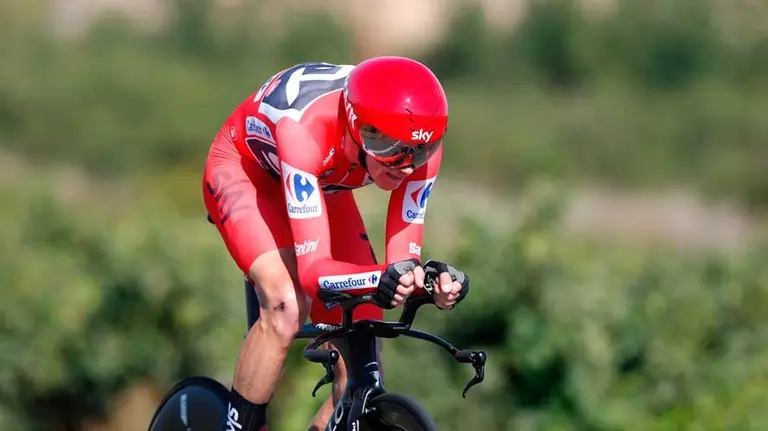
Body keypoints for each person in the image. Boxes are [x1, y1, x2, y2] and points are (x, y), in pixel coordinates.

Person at [202, 56, 471, 431]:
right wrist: (381, 278)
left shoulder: (419, 143)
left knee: (364, 329)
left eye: (419, 152)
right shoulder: (305, 130)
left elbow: (403, 260)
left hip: (323, 182)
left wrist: (431, 283)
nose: (406, 165)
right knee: (286, 308)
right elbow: (315, 274)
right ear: (358, 127)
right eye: (388, 146)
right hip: (248, 172)